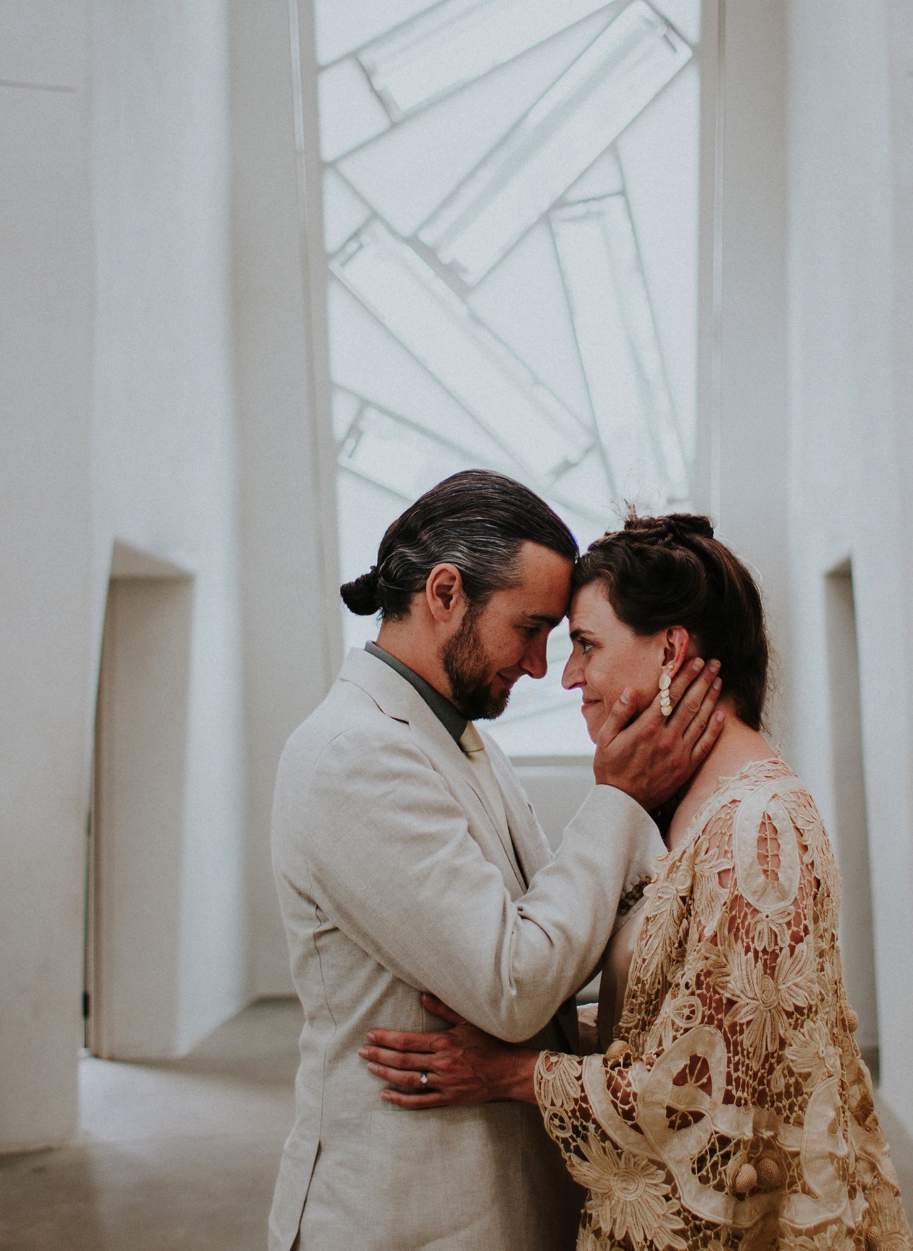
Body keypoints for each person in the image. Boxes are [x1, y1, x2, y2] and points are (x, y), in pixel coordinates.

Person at [360, 513, 913, 1251]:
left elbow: (714, 1100)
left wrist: (518, 1073)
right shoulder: (697, 815)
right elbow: (693, 1029)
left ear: (672, 649)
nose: (566, 675)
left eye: (586, 644)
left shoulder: (757, 830)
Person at [269, 473, 728, 1251]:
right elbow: (515, 984)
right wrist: (617, 797)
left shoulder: (456, 734)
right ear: (445, 592)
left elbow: (557, 947)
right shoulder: (356, 753)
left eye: (563, 635)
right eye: (531, 627)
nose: (545, 666)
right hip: (405, 1213)